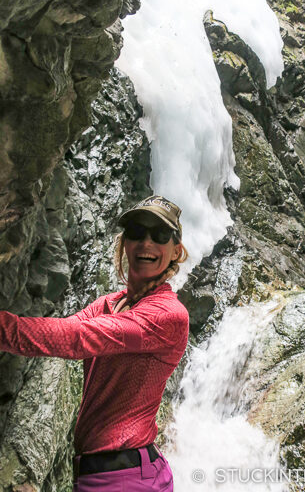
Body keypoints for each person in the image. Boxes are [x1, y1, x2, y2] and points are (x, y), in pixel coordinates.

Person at [0, 195, 190, 491]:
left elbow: (77, 339)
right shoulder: (110, 304)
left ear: (176, 250)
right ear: (125, 242)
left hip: (125, 478)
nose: (146, 243)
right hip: (105, 475)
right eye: (137, 232)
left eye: (161, 235)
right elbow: (65, 332)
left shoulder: (168, 315)